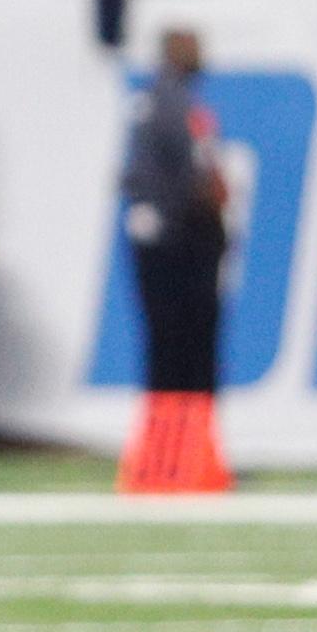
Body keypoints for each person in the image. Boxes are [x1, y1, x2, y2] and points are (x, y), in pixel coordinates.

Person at [117, 26, 233, 490]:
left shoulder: (168, 102)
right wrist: (193, 217)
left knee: (173, 352)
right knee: (184, 354)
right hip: (179, 245)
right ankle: (176, 460)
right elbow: (174, 178)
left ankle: (177, 458)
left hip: (175, 241)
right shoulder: (170, 105)